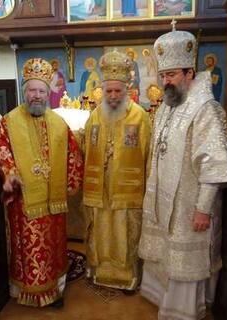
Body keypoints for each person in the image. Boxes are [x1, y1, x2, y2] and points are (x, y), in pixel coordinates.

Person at [138, 25, 227, 320]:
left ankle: (183, 310)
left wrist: (203, 208)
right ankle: (163, 299)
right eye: (163, 75)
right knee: (164, 255)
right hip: (165, 199)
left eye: (172, 75)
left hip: (189, 203)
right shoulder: (168, 105)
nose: (166, 82)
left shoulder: (206, 109)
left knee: (184, 259)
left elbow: (215, 163)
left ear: (190, 73)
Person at [0, 58, 83, 307]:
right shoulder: (9, 122)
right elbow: (2, 150)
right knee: (29, 249)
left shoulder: (59, 123)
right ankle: (28, 291)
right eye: (32, 90)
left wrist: (72, 180)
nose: (36, 96)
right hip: (25, 204)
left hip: (53, 204)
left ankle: (55, 289)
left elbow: (73, 154)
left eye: (41, 91)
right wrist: (9, 174)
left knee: (54, 248)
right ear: (25, 92)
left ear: (48, 93)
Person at [83, 50, 151, 293]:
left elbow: (149, 157)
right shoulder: (94, 116)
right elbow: (84, 147)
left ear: (127, 89)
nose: (112, 96)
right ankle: (98, 270)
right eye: (108, 91)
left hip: (127, 189)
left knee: (124, 231)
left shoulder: (140, 117)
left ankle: (127, 275)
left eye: (117, 91)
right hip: (99, 187)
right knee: (101, 229)